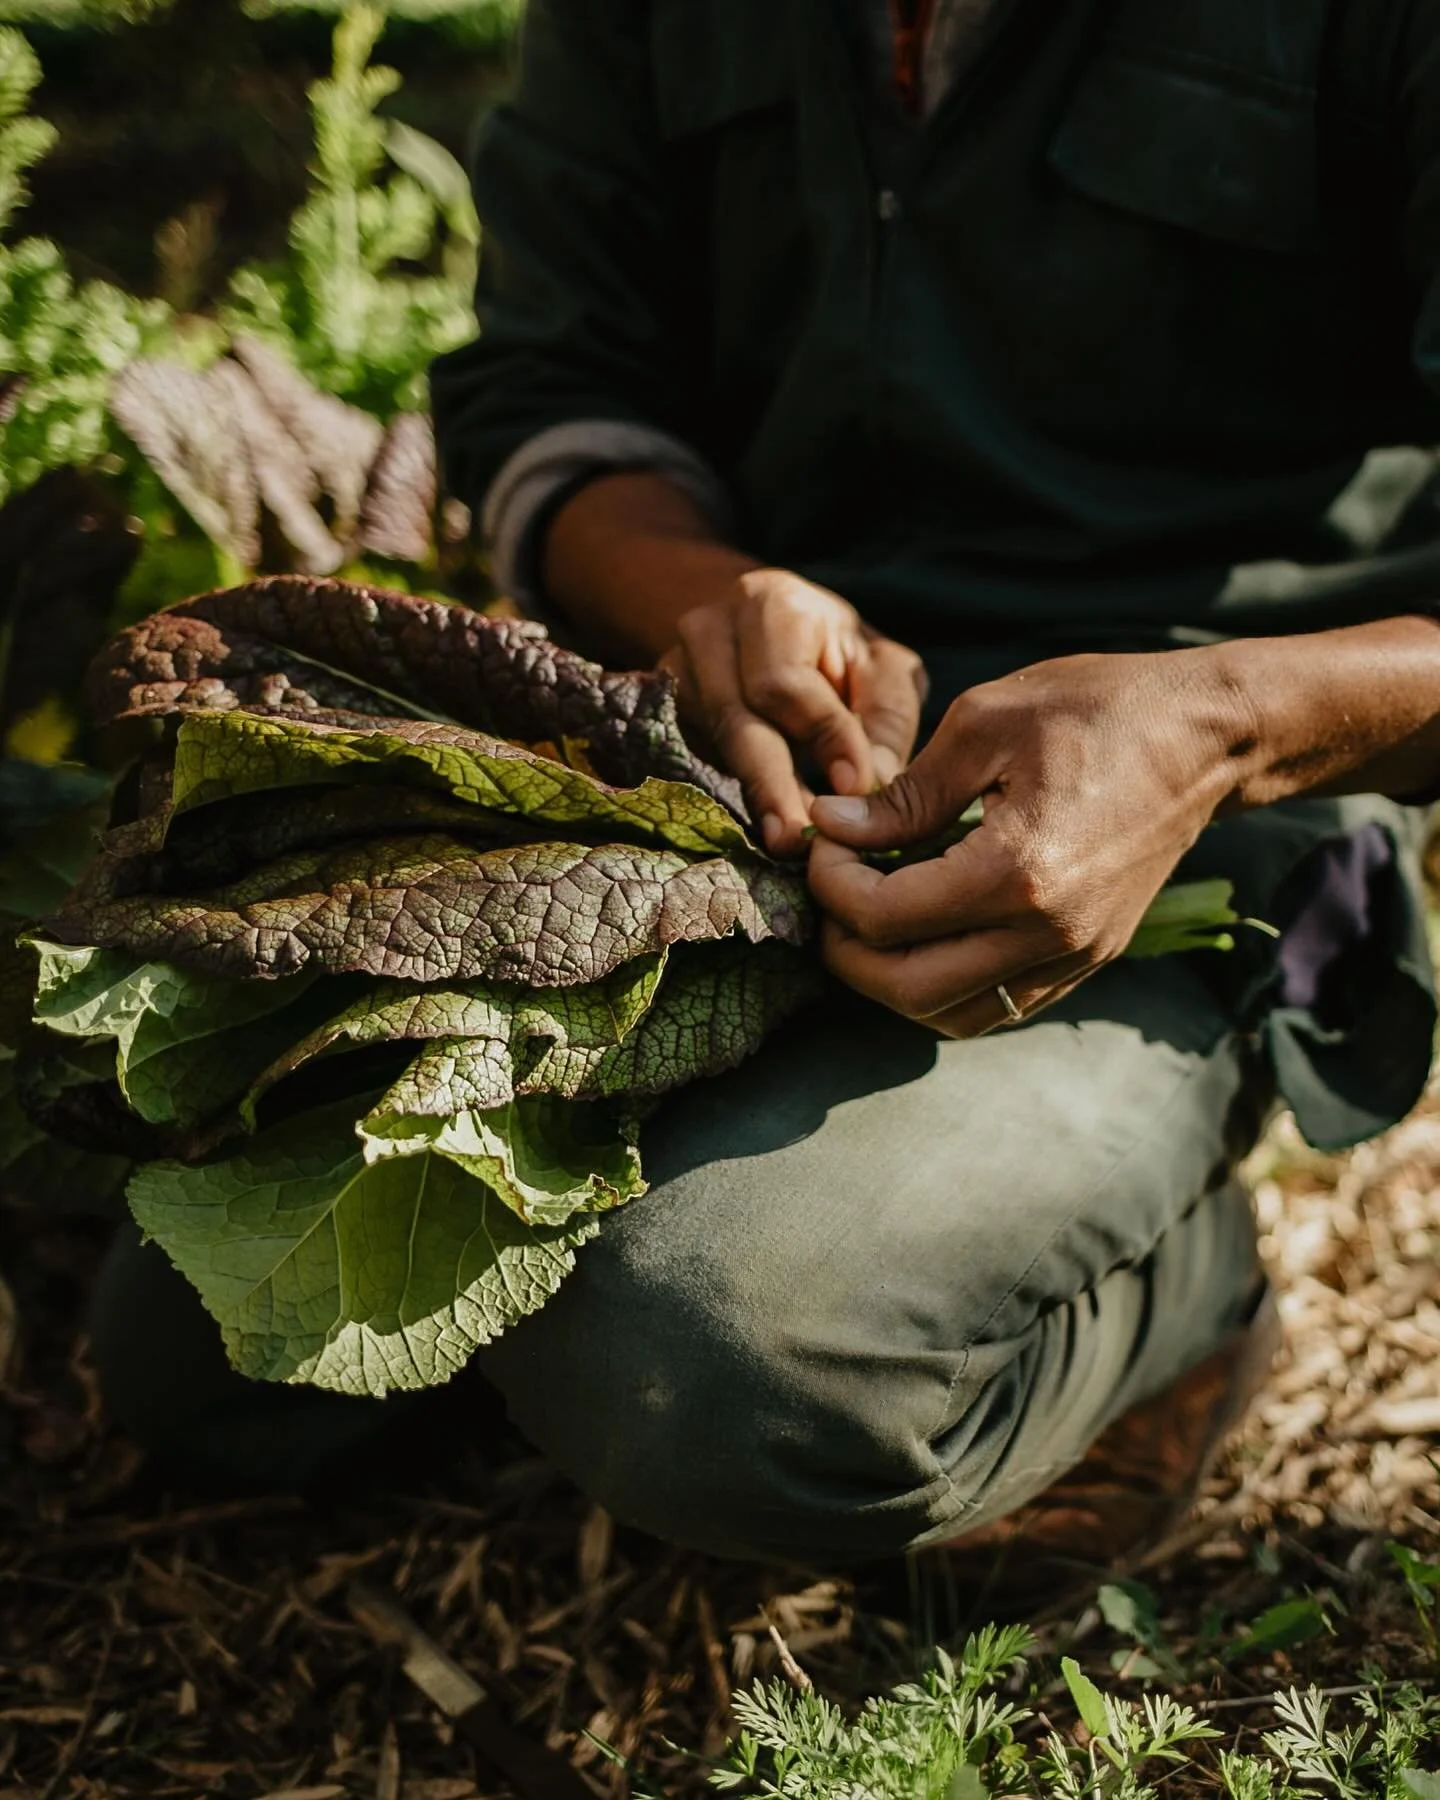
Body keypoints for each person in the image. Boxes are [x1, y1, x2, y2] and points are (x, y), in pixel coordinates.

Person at [95, 0, 1440, 1572]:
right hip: (742, 774)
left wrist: (1220, 725)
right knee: (205, 1358)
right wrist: (701, 596)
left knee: (703, 1363)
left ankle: (1177, 1288)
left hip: (1223, 826)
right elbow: (552, 389)